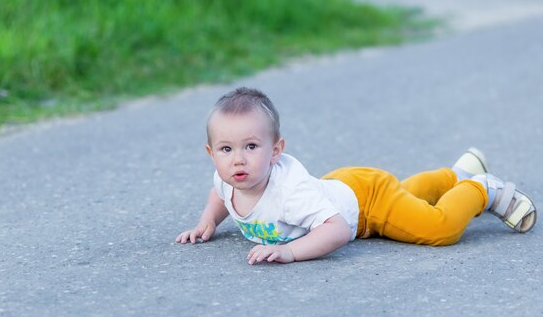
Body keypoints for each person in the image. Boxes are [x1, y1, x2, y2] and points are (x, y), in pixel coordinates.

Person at [175, 87, 537, 265]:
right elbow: (219, 194)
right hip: (342, 186)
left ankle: (481, 188)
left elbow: (334, 230)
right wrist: (207, 222)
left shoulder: (289, 192)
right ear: (212, 154)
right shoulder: (227, 178)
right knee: (407, 196)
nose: (238, 160)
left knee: (435, 228)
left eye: (251, 147)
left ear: (276, 151)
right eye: (226, 150)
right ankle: (457, 173)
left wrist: (290, 253)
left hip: (366, 203)